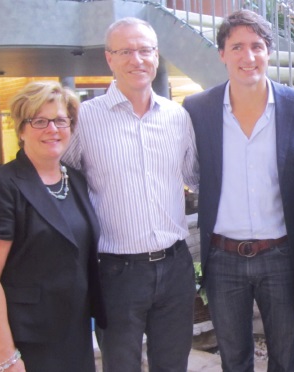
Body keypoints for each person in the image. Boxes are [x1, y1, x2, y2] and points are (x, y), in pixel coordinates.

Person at [183, 9, 294, 372]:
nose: (248, 56)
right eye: (237, 47)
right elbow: (192, 171)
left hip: (280, 254)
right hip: (222, 256)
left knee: (287, 358)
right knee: (234, 358)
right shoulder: (197, 108)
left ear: (269, 51)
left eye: (257, 46)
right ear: (222, 54)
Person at [62, 17, 199, 372]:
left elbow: (196, 178)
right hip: (116, 271)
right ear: (109, 58)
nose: (137, 59)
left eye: (145, 50)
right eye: (126, 51)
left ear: (156, 56)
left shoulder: (178, 117)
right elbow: (60, 181)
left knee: (173, 364)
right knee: (120, 365)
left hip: (176, 266)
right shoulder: (84, 120)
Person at [0, 81, 106, 371]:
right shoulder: (2, 185)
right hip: (26, 340)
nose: (52, 129)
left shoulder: (75, 179)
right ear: (22, 129)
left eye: (61, 120)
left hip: (74, 332)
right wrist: (6, 356)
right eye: (39, 121)